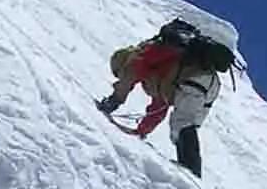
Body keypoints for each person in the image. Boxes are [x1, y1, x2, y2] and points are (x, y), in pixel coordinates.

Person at [97, 18, 235, 177]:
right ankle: (191, 173)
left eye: (118, 72)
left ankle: (191, 171)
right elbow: (157, 110)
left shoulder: (139, 57)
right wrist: (141, 131)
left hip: (194, 77)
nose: (120, 76)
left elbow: (127, 80)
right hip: (207, 83)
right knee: (187, 127)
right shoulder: (156, 73)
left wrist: (112, 102)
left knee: (182, 124)